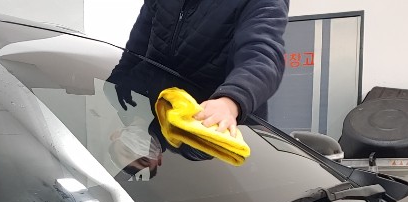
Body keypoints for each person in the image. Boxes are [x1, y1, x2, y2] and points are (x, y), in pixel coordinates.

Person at [109, 0, 289, 139]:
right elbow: (136, 49)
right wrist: (113, 88)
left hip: (215, 135)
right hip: (155, 123)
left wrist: (230, 101)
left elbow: (262, 55)